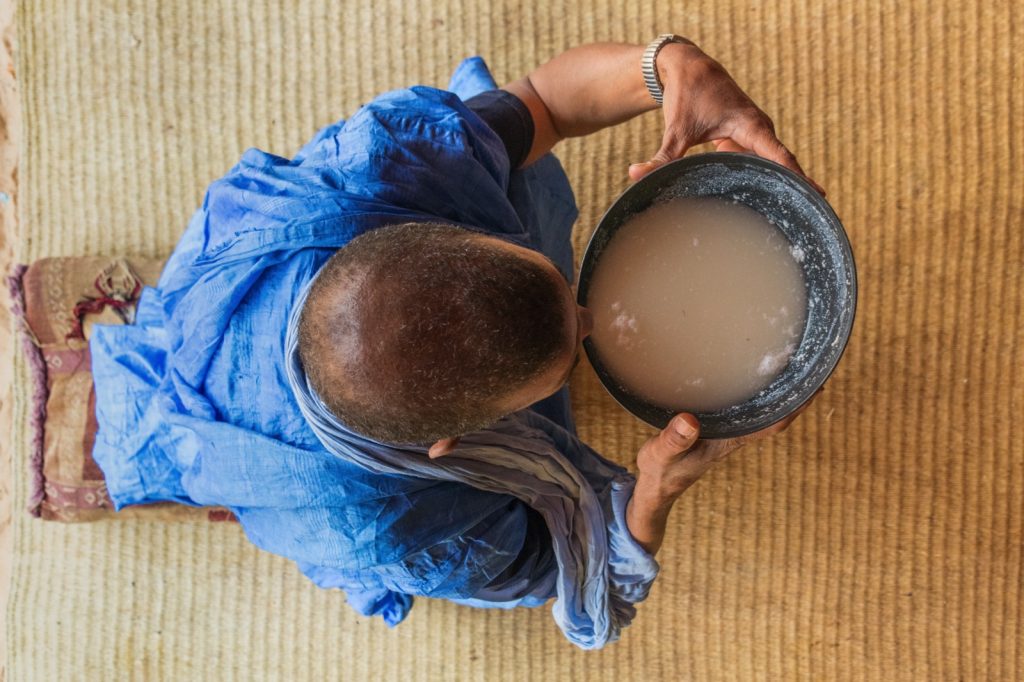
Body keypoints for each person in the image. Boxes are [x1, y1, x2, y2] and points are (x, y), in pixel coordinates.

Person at [90, 37, 822, 649]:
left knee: (523, 159)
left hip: (262, 270)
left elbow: (543, 101)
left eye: (562, 295)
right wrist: (659, 487)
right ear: (456, 440)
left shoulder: (392, 171)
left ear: (439, 228)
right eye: (572, 356)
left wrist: (669, 68)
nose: (597, 317)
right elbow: (567, 572)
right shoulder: (411, 524)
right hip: (307, 472)